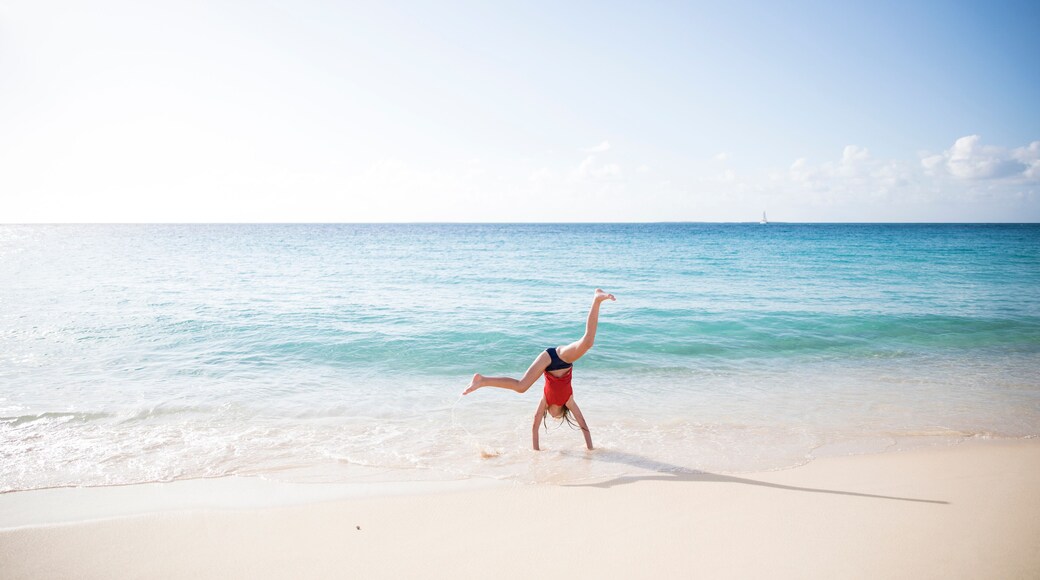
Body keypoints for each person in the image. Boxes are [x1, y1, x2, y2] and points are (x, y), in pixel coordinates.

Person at [463, 289, 616, 451]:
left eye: (549, 417)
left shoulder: (545, 402)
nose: (552, 416)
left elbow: (535, 427)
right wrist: (590, 448)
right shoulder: (569, 401)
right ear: (562, 412)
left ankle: (483, 380)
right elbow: (583, 424)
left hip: (548, 361)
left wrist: (536, 452)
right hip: (559, 358)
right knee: (587, 342)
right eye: (555, 417)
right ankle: (597, 299)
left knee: (521, 387)